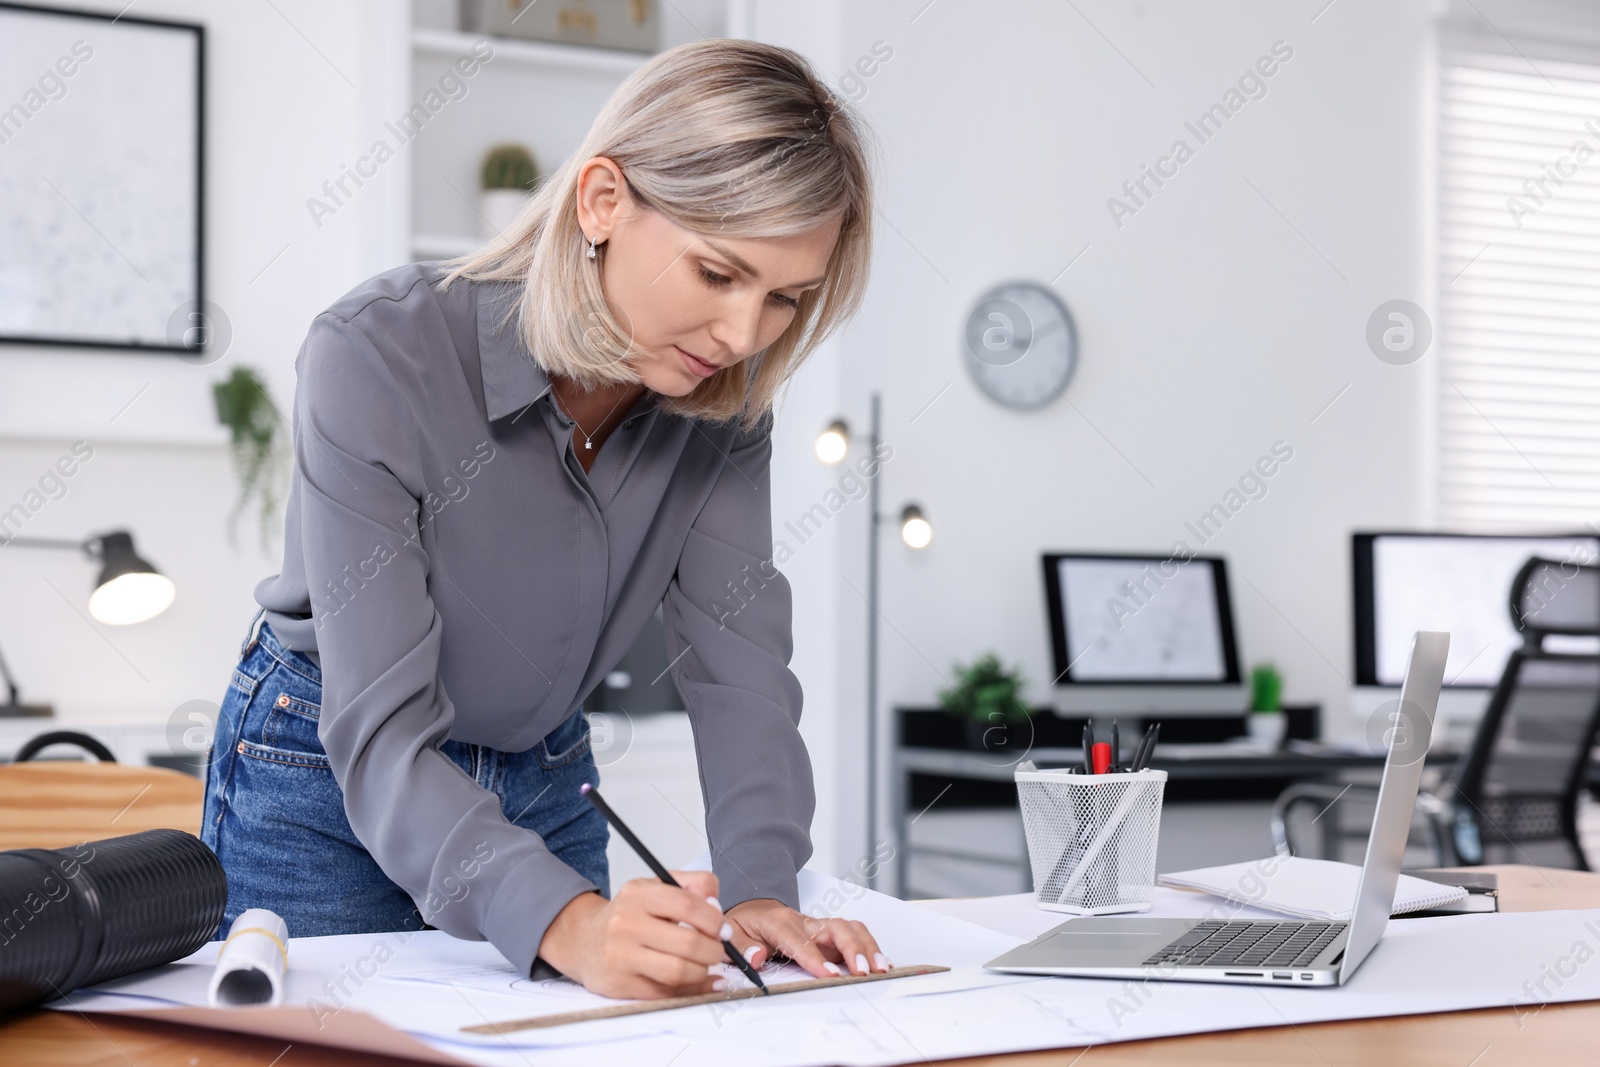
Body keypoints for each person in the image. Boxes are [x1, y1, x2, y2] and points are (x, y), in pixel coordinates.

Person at [200, 38, 886, 1000]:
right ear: (604, 201)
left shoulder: (726, 404)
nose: (743, 336)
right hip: (326, 780)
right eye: (718, 274)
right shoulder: (378, 354)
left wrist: (764, 889)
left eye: (785, 299)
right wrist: (568, 923)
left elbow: (742, 670)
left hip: (543, 772)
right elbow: (385, 735)